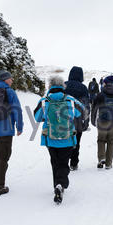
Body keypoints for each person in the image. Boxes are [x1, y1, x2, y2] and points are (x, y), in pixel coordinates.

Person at [34, 76, 85, 204]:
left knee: (55, 161)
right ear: (63, 86)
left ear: (50, 86)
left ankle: (56, 184)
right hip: (67, 137)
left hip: (50, 138)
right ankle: (61, 184)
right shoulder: (70, 99)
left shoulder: (44, 101)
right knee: (63, 162)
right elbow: (82, 112)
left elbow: (37, 117)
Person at [64, 66, 90, 171]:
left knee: (65, 141)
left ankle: (64, 161)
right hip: (78, 120)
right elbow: (86, 106)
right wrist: (86, 121)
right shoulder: (83, 88)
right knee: (76, 141)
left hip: (64, 119)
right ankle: (74, 163)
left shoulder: (64, 85)